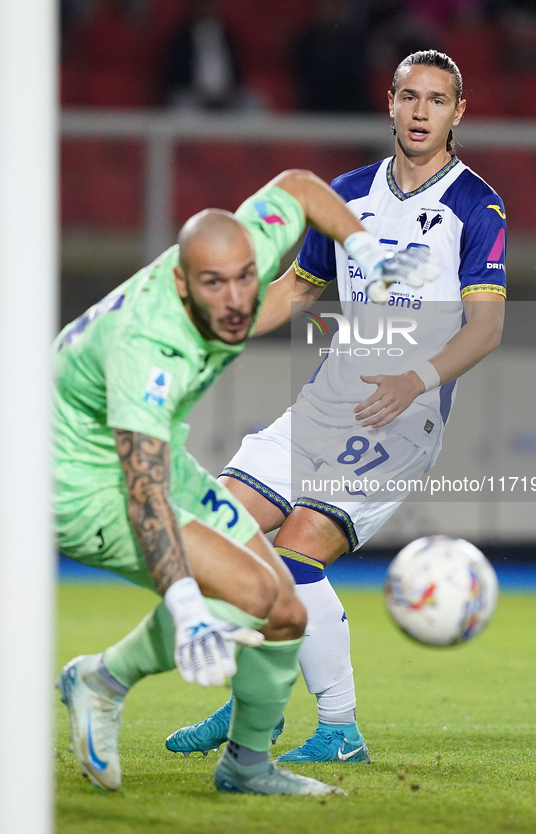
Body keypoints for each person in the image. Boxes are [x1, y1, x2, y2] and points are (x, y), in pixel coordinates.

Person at [165, 50, 507, 764]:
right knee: (213, 532)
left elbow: (485, 328)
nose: (419, 112)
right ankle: (249, 708)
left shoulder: (475, 207)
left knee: (296, 554)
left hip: (401, 421)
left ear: (457, 113)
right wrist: (217, 327)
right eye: (408, 97)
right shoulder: (345, 193)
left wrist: (415, 380)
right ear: (388, 103)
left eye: (435, 100)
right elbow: (296, 289)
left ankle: (338, 728)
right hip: (325, 403)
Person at [54, 167, 413, 796]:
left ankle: (246, 766)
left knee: (284, 609)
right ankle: (103, 680)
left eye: (245, 278)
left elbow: (300, 187)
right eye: (213, 285)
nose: (235, 300)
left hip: (157, 454)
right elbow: (142, 494)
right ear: (179, 281)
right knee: (237, 590)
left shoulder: (238, 244)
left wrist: (362, 249)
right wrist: (188, 606)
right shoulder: (152, 347)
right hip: (76, 479)